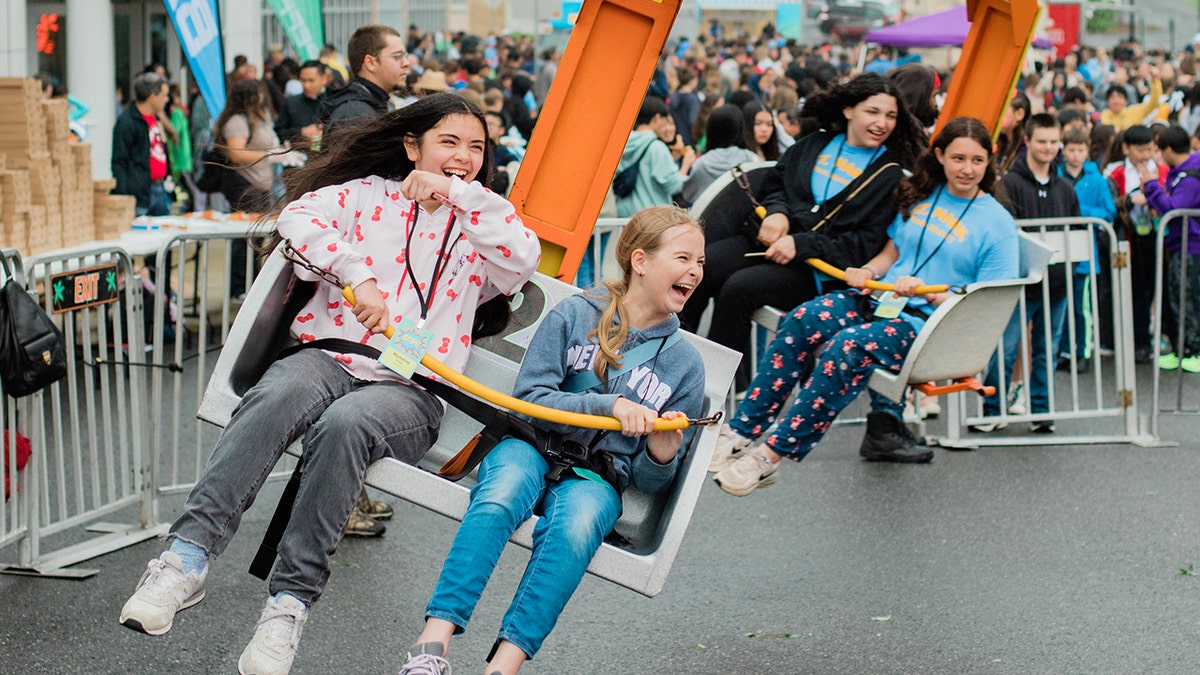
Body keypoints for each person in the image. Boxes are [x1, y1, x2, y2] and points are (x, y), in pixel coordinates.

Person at [117, 93, 540, 675]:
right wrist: (356, 274)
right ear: (411, 146)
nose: (463, 157)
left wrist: (461, 194)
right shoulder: (365, 195)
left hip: (411, 389)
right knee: (279, 392)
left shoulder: (484, 221)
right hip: (330, 354)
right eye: (448, 142)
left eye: (475, 147)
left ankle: (287, 607)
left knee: (347, 425)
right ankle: (185, 560)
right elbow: (298, 217)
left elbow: (523, 258)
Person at [397, 206, 706, 675]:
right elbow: (529, 398)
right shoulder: (576, 313)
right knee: (499, 496)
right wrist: (608, 408)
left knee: (576, 529)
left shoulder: (685, 364)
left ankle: (504, 666)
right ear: (640, 261)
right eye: (684, 258)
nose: (695, 272)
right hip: (532, 443)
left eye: (701, 263)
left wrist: (662, 457)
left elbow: (650, 480)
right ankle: (431, 646)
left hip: (597, 478)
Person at [711, 117, 1019, 496]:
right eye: (958, 158)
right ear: (939, 156)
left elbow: (986, 301)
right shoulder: (924, 193)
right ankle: (742, 431)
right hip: (882, 298)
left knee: (847, 347)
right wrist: (868, 270)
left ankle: (769, 457)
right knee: (803, 319)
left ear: (989, 161)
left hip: (929, 325)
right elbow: (894, 249)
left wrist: (930, 293)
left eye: (976, 160)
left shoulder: (999, 224)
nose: (967, 169)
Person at [680, 73, 922, 403]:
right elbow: (775, 183)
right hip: (763, 242)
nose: (882, 122)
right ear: (849, 109)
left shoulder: (890, 175)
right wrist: (777, 211)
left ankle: (716, 393)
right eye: (873, 112)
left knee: (739, 289)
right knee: (696, 270)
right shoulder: (815, 144)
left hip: (818, 270)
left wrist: (801, 244)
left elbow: (863, 244)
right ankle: (673, 365)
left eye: (890, 116)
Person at [974, 114, 1080, 434]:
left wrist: (1069, 270)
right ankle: (992, 410)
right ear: (1028, 142)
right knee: (1005, 350)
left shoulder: (1066, 188)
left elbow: (1075, 232)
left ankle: (1043, 411)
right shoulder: (1010, 184)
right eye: (1042, 141)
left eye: (1053, 142)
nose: (1048, 148)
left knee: (1046, 351)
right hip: (1020, 283)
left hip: (1057, 285)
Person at [1105, 124, 1168, 363]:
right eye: (1139, 149)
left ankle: (1164, 338)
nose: (1144, 155)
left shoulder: (1162, 171)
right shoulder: (1116, 174)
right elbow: (1111, 204)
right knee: (1137, 292)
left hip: (1159, 237)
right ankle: (1139, 341)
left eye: (1149, 149)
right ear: (1126, 148)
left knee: (1160, 288)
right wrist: (1130, 201)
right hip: (1130, 239)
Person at [1055, 126, 1116, 373]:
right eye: (1071, 149)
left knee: (1082, 307)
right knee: (1062, 305)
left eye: (1080, 150)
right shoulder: (1056, 176)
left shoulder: (1097, 179)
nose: (1076, 155)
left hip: (1085, 253)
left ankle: (1083, 351)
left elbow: (1109, 212)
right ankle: (1064, 351)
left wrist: (1082, 212)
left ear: (1087, 151)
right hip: (1060, 250)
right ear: (1064, 150)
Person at [1140, 125, 1200, 371]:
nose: (1157, 156)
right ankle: (1181, 348)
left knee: (1188, 298)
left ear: (1167, 149)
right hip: (1180, 244)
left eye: (1158, 149)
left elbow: (1174, 208)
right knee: (1177, 297)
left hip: (1191, 246)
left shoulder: (1190, 176)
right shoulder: (1183, 171)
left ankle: (1193, 351)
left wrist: (1152, 186)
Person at [322, 25, 410, 134]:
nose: (406, 63)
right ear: (370, 63)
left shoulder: (375, 104)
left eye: (405, 56)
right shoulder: (353, 115)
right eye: (397, 56)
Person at [112, 72, 171, 217]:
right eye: (163, 95)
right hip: (139, 193)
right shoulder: (127, 122)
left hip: (160, 188)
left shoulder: (154, 118)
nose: (166, 100)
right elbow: (119, 161)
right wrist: (125, 199)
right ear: (152, 97)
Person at [679, 104, 760, 206]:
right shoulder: (752, 159)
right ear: (740, 129)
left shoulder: (702, 163)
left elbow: (688, 194)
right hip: (743, 218)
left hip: (708, 220)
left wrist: (684, 167)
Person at [274, 60, 327, 148]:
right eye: (303, 80)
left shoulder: (333, 101)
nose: (306, 85)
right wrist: (301, 132)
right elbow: (279, 131)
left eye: (311, 80)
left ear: (324, 79)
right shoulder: (291, 103)